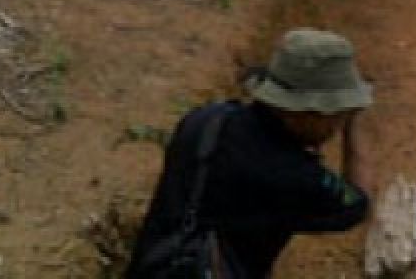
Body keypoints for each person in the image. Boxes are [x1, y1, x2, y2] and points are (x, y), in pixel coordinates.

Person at [126, 28, 374, 278]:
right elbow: (358, 204)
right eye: (337, 114)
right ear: (307, 113)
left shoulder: (205, 121)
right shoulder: (294, 176)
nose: (337, 124)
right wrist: (355, 128)